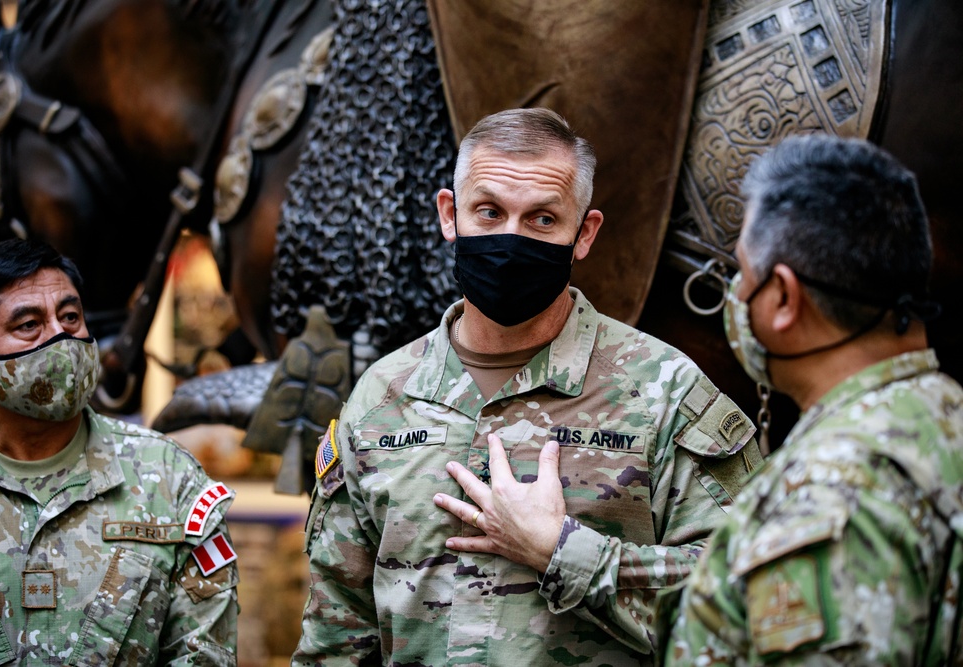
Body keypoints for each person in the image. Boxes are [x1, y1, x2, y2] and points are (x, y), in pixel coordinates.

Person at [293, 107, 762, 665]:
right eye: (489, 211)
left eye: (542, 219)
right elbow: (336, 634)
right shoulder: (380, 396)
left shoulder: (665, 392)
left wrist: (564, 554)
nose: (511, 239)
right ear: (450, 214)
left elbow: (749, 599)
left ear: (584, 233)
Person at [658, 134, 963, 665]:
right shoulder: (943, 408)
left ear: (782, 297)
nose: (735, 294)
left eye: (742, 274)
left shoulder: (826, 494)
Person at [0, 239, 239, 665]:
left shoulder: (169, 478)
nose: (61, 338)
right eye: (29, 325)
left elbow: (204, 656)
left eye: (70, 317)